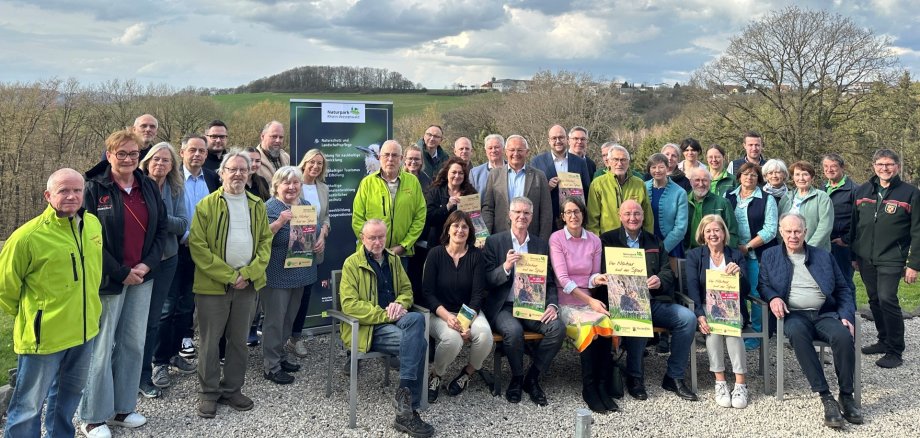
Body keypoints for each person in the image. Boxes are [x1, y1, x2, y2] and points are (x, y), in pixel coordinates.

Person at [0, 169, 103, 438]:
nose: (71, 196)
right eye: (63, 191)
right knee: (28, 407)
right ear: (48, 195)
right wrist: (35, 316)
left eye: (77, 190)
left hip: (83, 332)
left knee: (68, 399)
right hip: (43, 338)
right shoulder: (27, 237)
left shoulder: (92, 225)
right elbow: (5, 288)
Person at [80, 129, 168, 437]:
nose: (129, 159)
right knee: (102, 347)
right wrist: (120, 271)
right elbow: (87, 240)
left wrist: (146, 265)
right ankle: (92, 416)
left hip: (142, 277)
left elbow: (161, 231)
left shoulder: (148, 186)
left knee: (132, 344)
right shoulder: (93, 188)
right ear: (109, 156)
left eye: (134, 154)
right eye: (122, 154)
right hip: (109, 280)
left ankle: (122, 408)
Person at [189, 150, 272, 418]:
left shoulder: (257, 205)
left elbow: (264, 244)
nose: (237, 174)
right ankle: (208, 393)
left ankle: (233, 389)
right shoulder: (206, 205)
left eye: (242, 169)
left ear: (249, 174)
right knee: (210, 342)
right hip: (213, 286)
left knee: (238, 341)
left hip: (247, 286)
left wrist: (247, 274)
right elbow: (198, 247)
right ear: (222, 173)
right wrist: (229, 275)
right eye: (232, 169)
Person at [759, 213, 861, 429]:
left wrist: (846, 315)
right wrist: (774, 297)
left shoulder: (823, 256)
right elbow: (764, 285)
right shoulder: (770, 256)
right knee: (797, 333)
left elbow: (843, 289)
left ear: (805, 232)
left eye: (798, 231)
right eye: (788, 231)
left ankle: (846, 395)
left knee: (843, 336)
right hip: (794, 315)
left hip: (824, 313)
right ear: (780, 232)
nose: (793, 236)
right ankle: (826, 397)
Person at [340, 219, 434, 437]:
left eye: (381, 236)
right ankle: (407, 411)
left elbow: (407, 290)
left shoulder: (393, 259)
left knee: (417, 321)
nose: (377, 241)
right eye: (372, 237)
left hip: (397, 318)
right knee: (419, 344)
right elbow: (349, 304)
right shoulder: (352, 264)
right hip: (371, 327)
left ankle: (404, 397)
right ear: (363, 238)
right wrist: (384, 313)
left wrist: (399, 303)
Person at [600, 200, 698, 402]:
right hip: (622, 304)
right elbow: (599, 272)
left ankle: (674, 376)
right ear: (620, 216)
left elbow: (668, 272)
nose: (632, 218)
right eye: (628, 214)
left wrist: (660, 280)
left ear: (643, 216)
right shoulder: (607, 240)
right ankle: (635, 377)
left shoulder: (654, 241)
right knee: (638, 315)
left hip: (654, 301)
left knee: (687, 318)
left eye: (637, 214)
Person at [152, 134, 220, 388]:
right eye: (192, 150)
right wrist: (187, 235)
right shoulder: (171, 178)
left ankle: (175, 355)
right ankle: (158, 361)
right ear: (182, 153)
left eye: (202, 151)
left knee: (186, 306)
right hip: (174, 250)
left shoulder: (213, 179)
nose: (198, 155)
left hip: (203, 253)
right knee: (167, 307)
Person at [483, 197, 564, 405]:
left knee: (557, 328)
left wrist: (553, 305)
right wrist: (506, 267)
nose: (522, 216)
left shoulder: (539, 244)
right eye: (517, 212)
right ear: (509, 215)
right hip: (504, 307)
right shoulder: (494, 242)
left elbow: (551, 282)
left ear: (531, 216)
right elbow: (487, 281)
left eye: (526, 213)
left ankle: (532, 377)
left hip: (533, 305)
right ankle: (517, 377)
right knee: (513, 332)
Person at [851, 149, 920, 369]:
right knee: (874, 299)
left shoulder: (910, 193)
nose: (885, 168)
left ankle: (895, 349)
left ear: (897, 167)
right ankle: (883, 340)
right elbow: (855, 226)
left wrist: (914, 265)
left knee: (887, 298)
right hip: (865, 258)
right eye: (880, 164)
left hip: (893, 256)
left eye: (889, 164)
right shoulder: (863, 191)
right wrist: (855, 255)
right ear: (873, 166)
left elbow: (918, 231)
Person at [548, 197, 618, 413]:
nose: (573, 216)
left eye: (577, 211)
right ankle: (588, 388)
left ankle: (601, 385)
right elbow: (563, 279)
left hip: (588, 301)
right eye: (568, 212)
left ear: (583, 214)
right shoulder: (557, 239)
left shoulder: (594, 241)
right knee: (590, 328)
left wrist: (599, 279)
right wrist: (590, 301)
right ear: (562, 217)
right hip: (566, 302)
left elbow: (591, 277)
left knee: (606, 324)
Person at [137, 143, 192, 399]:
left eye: (166, 161)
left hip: (167, 258)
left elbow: (182, 223)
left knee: (157, 316)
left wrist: (156, 216)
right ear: (147, 161)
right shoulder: (135, 185)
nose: (160, 164)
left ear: (172, 165)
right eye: (156, 159)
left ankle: (147, 373)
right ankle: (129, 373)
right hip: (137, 261)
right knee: (132, 320)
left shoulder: (176, 188)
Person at [421, 211, 493, 403]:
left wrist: (464, 322)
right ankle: (436, 375)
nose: (460, 230)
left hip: (469, 312)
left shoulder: (476, 256)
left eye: (464, 227)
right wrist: (448, 318)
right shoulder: (435, 254)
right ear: (448, 229)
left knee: (485, 336)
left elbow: (478, 294)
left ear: (470, 231)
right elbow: (427, 293)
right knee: (453, 340)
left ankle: (467, 373)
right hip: (440, 313)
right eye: (456, 226)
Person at [685, 215, 750, 409]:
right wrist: (699, 314)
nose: (713, 234)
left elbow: (746, 290)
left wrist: (738, 275)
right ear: (703, 235)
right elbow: (693, 288)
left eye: (717, 230)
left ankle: (740, 384)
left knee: (729, 328)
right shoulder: (695, 256)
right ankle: (720, 382)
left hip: (733, 307)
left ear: (724, 233)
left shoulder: (736, 255)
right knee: (712, 328)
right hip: (707, 306)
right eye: (708, 231)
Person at [262, 166, 319, 384]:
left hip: (301, 273)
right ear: (276, 186)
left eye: (296, 183)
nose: (292, 187)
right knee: (274, 321)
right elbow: (259, 237)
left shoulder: (305, 206)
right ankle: (271, 365)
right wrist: (278, 223)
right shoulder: (270, 208)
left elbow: (316, 229)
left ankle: (281, 355)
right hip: (277, 275)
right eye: (286, 183)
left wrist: (319, 239)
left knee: (288, 319)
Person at [726, 163, 777, 351]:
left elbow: (771, 229)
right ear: (739, 176)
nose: (749, 178)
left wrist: (747, 247)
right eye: (746, 174)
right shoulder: (729, 196)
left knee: (756, 293)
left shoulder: (766, 199)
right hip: (732, 253)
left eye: (754, 175)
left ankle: (756, 334)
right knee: (732, 291)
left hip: (756, 253)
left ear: (759, 178)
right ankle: (734, 327)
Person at [352, 140, 427, 270]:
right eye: (386, 155)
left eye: (394, 155)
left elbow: (420, 217)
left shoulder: (412, 182)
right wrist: (373, 245)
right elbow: (357, 219)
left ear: (401, 158)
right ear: (380, 157)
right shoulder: (367, 183)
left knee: (400, 290)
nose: (390, 159)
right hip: (371, 254)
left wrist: (404, 246)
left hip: (401, 256)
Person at [288, 149, 330, 358]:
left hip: (314, 251)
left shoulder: (323, 188)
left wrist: (322, 234)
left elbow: (326, 217)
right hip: (292, 250)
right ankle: (279, 338)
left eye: (320, 164)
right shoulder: (293, 183)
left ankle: (295, 338)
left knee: (304, 296)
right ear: (304, 163)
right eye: (312, 162)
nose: (315, 166)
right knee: (287, 296)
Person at [481, 135, 553, 240]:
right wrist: (485, 237)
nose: (515, 154)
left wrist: (542, 241)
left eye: (520, 150)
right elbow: (488, 208)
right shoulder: (494, 175)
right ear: (506, 152)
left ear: (527, 152)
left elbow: (546, 212)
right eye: (512, 150)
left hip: (530, 237)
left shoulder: (539, 176)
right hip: (500, 237)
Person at [530, 124, 591, 228]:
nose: (558, 141)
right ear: (549, 140)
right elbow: (531, 192)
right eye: (554, 138)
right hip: (548, 218)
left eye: (561, 137)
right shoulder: (537, 162)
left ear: (567, 139)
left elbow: (587, 190)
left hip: (573, 219)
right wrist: (547, 187)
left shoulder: (580, 162)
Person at [586, 145, 653, 235]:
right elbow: (592, 219)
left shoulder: (639, 184)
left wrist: (648, 240)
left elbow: (648, 217)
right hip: (607, 240)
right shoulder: (597, 184)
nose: (619, 163)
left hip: (634, 240)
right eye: (615, 159)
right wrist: (596, 243)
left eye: (623, 160)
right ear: (609, 162)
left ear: (628, 163)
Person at [822, 154, 858, 294]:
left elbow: (859, 220)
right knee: (827, 281)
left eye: (833, 166)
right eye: (826, 166)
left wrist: (846, 240)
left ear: (842, 167)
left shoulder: (854, 190)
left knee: (844, 282)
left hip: (842, 245)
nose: (829, 169)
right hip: (825, 243)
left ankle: (849, 314)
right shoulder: (821, 189)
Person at [779, 161, 833, 252]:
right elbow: (779, 225)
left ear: (811, 177)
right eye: (797, 174)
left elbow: (825, 227)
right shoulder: (786, 198)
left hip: (815, 251)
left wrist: (807, 249)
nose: (801, 178)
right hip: (789, 252)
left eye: (805, 174)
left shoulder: (822, 197)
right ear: (793, 177)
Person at [645, 153, 689, 262]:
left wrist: (663, 248)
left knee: (669, 278)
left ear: (667, 167)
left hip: (672, 247)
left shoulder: (679, 192)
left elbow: (681, 227)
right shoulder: (642, 187)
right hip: (646, 244)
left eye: (661, 167)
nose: (657, 170)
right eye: (653, 167)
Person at [425, 158, 477, 247]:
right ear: (447, 173)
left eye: (461, 173)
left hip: (463, 245)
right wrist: (447, 207)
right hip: (438, 244)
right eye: (454, 172)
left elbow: (476, 220)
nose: (457, 176)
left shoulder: (471, 193)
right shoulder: (435, 191)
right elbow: (429, 218)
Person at [686, 166, 739, 250]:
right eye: (697, 180)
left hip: (715, 253)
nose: (701, 184)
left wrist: (725, 254)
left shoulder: (723, 203)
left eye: (705, 180)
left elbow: (732, 233)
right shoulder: (683, 202)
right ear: (690, 181)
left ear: (710, 182)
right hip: (687, 253)